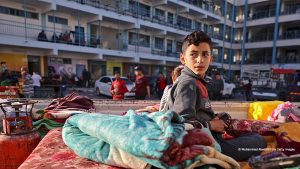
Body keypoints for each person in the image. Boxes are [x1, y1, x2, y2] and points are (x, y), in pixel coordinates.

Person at [164, 30, 266, 161]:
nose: (199, 60)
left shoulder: (197, 81)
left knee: (252, 138)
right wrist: (211, 125)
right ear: (183, 58)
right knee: (259, 141)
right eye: (193, 54)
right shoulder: (188, 84)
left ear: (211, 59)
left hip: (207, 138)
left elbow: (196, 113)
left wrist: (215, 118)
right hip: (202, 146)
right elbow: (181, 124)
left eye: (205, 54)